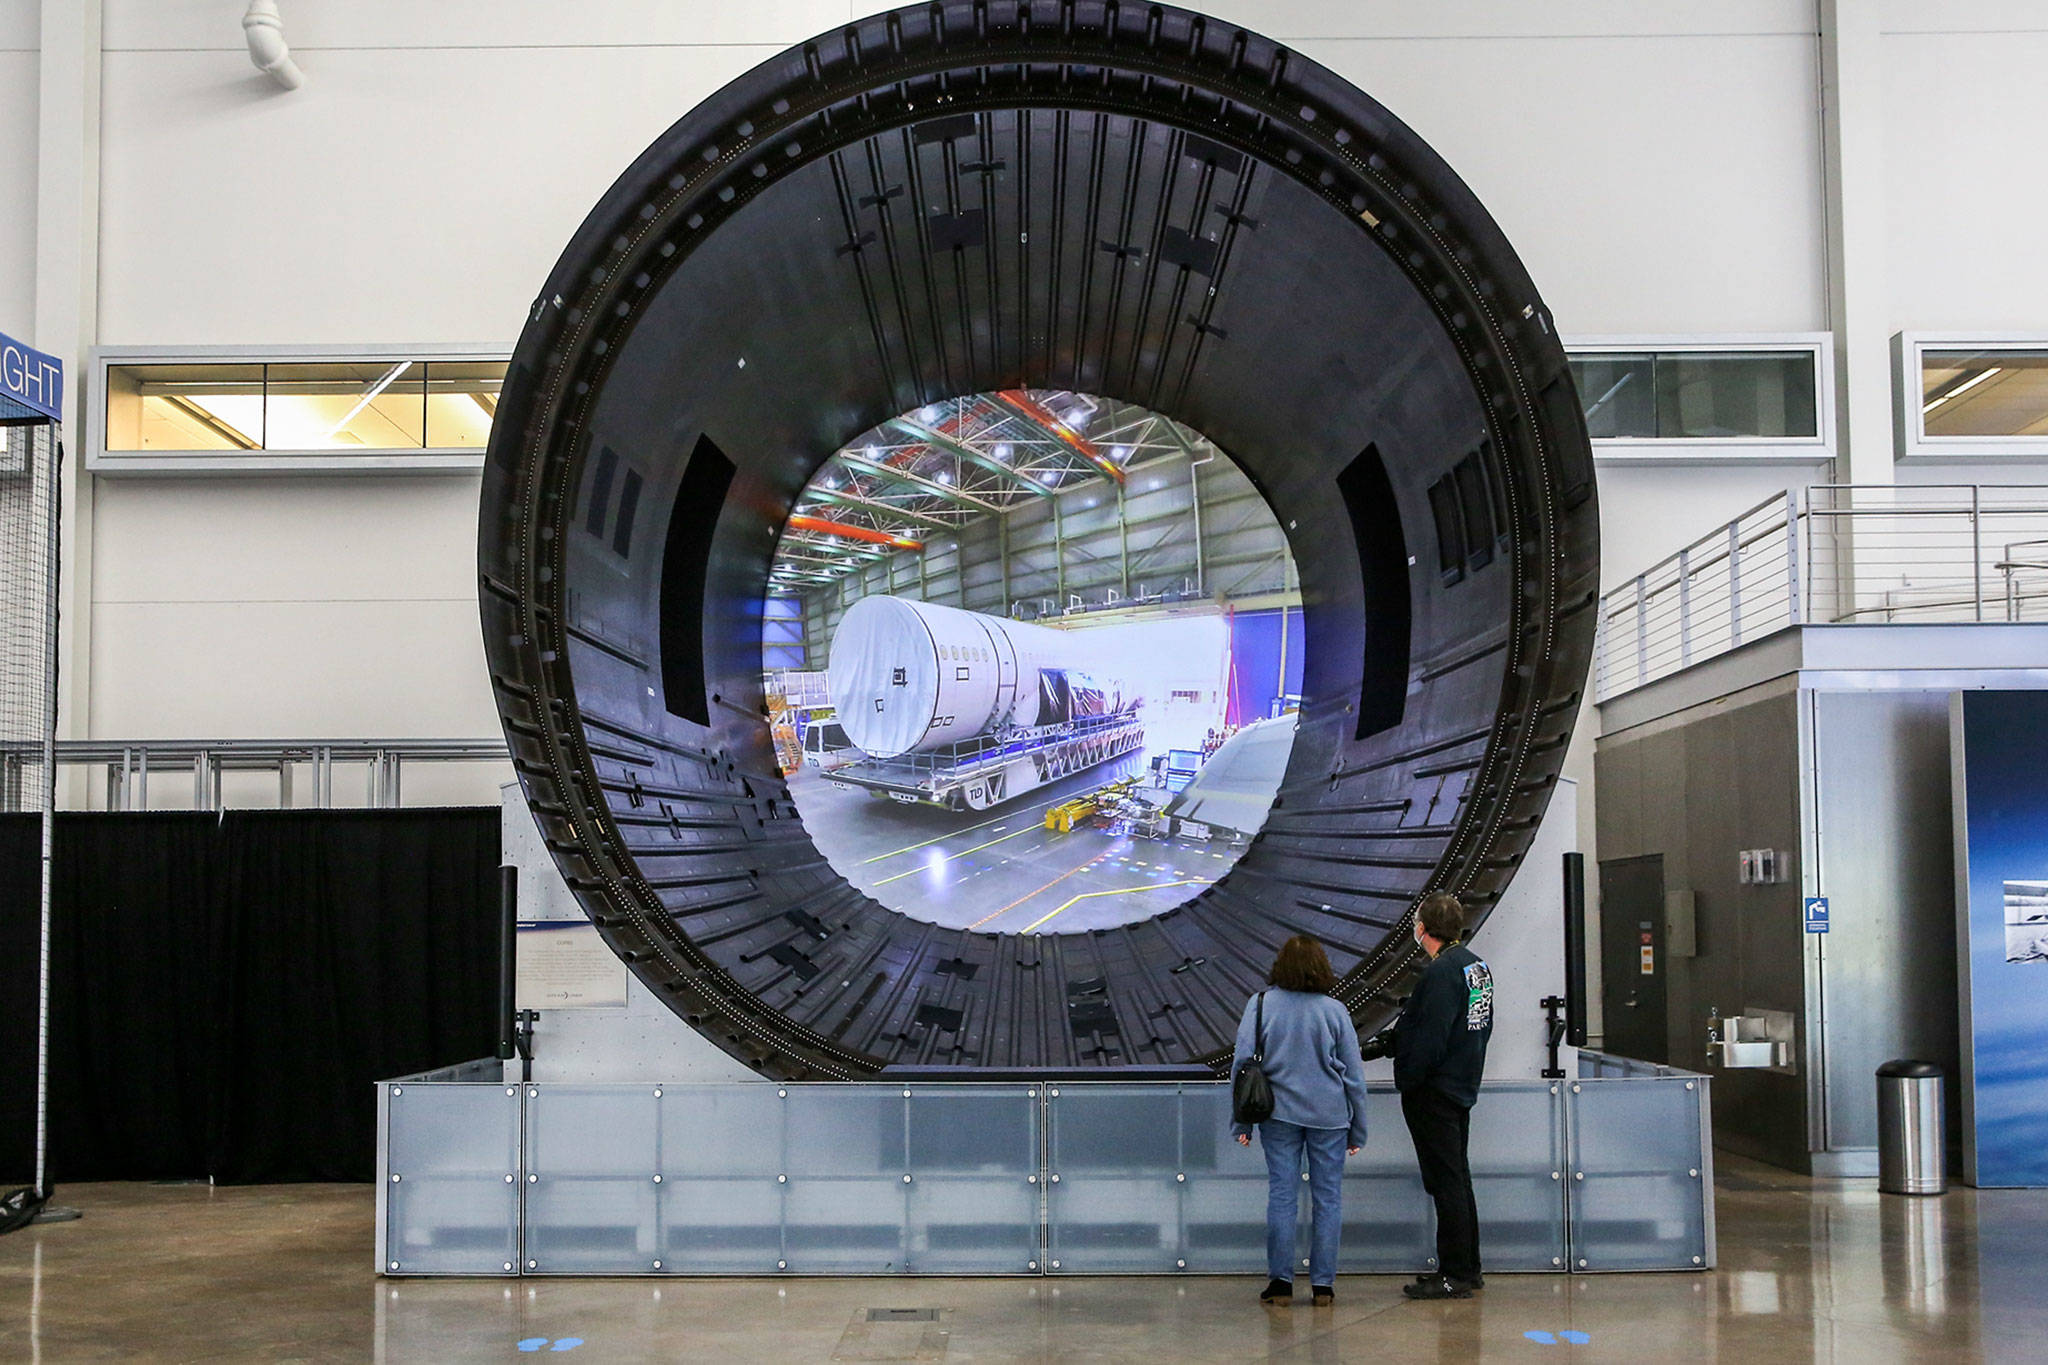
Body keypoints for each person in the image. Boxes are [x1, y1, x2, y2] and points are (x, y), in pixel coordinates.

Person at [1229, 934, 1370, 1309]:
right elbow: (1354, 1077)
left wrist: (1240, 1123)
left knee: (1282, 1196)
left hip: (1277, 1116)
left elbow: (1242, 1066)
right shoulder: (1335, 1011)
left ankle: (1280, 1283)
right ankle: (1323, 1286)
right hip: (1330, 1117)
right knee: (1328, 1199)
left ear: (1279, 967)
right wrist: (1359, 1128)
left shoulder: (1259, 1005)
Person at [1378, 891, 1494, 1301]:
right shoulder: (1476, 967)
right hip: (1461, 1086)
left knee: (1446, 1183)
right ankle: (1468, 1267)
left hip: (1436, 1093)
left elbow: (1431, 1037)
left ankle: (1454, 1273)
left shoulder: (1442, 973)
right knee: (1457, 1180)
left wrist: (1409, 1079)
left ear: (1422, 928)